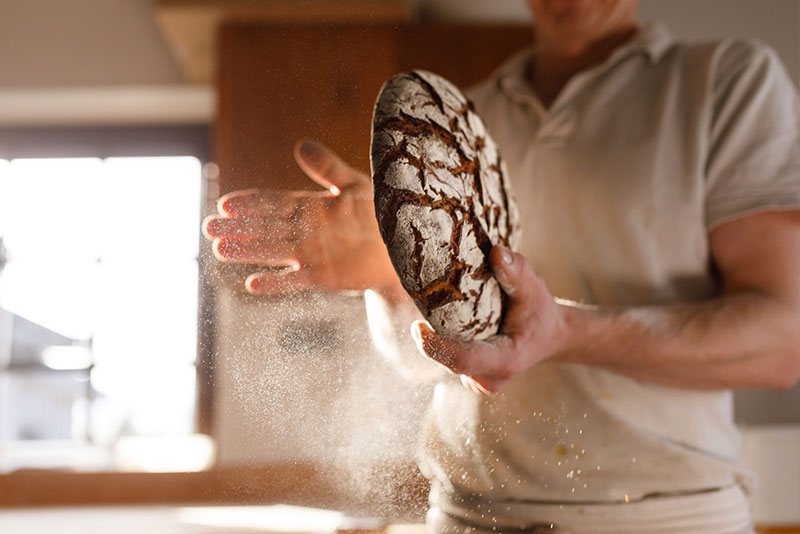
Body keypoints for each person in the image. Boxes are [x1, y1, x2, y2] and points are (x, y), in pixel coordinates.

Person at [203, 0, 800, 531]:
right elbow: (427, 362)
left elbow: (782, 343)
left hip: (663, 516)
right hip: (465, 515)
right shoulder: (460, 121)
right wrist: (391, 275)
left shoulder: (724, 82)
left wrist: (564, 333)